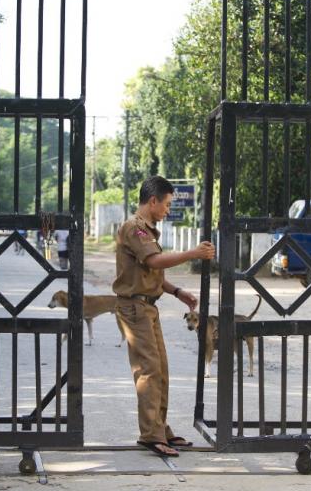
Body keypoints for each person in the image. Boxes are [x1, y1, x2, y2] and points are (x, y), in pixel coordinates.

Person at [112, 176, 216, 458]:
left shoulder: (147, 230)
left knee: (161, 370)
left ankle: (159, 429)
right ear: (153, 201)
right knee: (149, 370)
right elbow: (155, 261)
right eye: (167, 205)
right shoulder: (134, 228)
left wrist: (176, 291)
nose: (168, 210)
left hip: (147, 307)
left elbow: (150, 273)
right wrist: (193, 253)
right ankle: (151, 435)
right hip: (134, 309)